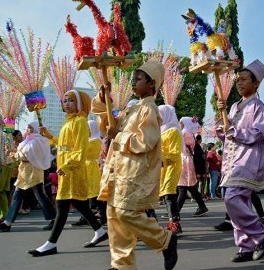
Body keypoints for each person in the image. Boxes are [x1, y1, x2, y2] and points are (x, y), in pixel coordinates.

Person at [92, 60, 177, 270]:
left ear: (152, 85)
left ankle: (165, 239)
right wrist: (103, 101)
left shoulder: (149, 109)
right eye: (134, 78)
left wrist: (118, 136)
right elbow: (108, 126)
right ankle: (122, 265)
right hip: (118, 168)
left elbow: (144, 141)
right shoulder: (132, 109)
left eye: (139, 79)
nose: (134, 83)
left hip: (134, 169)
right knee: (113, 215)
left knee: (125, 213)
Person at [28, 90, 108, 257]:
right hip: (67, 169)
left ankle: (51, 243)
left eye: (71, 100)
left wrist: (67, 165)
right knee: (80, 205)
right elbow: (64, 145)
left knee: (62, 205)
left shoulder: (80, 121)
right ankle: (100, 232)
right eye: (64, 101)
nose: (66, 103)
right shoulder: (68, 123)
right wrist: (49, 136)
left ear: (79, 103)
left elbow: (80, 149)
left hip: (73, 170)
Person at [216, 59, 264, 262]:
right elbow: (227, 134)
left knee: (231, 199)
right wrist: (222, 121)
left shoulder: (258, 106)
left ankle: (260, 233)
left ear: (256, 84)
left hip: (247, 161)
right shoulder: (233, 107)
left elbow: (259, 132)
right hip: (232, 160)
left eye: (244, 80)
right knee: (239, 203)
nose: (239, 83)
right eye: (237, 80)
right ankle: (245, 247)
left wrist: (234, 131)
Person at [0, 121, 56, 232]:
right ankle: (7, 222)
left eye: (29, 127)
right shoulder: (30, 140)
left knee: (39, 196)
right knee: (18, 196)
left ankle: (53, 219)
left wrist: (11, 153)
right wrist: (12, 151)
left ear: (35, 128)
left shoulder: (35, 141)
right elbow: (22, 153)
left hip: (32, 173)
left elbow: (24, 155)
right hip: (25, 173)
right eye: (27, 127)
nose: (27, 129)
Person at [71, 120, 105, 226]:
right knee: (91, 195)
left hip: (91, 169)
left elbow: (84, 151)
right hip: (85, 168)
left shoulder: (96, 141)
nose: (86, 131)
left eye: (88, 129)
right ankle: (100, 216)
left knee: (92, 195)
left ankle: (91, 217)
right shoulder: (89, 140)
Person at [158, 105, 183, 235]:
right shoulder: (161, 131)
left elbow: (174, 153)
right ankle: (172, 222)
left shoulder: (173, 131)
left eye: (160, 115)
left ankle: (175, 223)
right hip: (162, 166)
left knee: (169, 193)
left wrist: (162, 160)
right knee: (165, 193)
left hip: (171, 165)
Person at [177, 117, 209, 218]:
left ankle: (174, 212)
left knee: (182, 187)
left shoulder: (186, 134)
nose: (179, 124)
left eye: (181, 123)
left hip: (185, 161)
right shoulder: (188, 133)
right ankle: (202, 206)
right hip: (186, 160)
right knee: (190, 187)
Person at [0, 112, 14, 221]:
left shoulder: (3, 133)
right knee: (0, 191)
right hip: (4, 165)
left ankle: (2, 215)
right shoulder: (5, 132)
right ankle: (4, 214)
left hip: (2, 165)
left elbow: (6, 151)